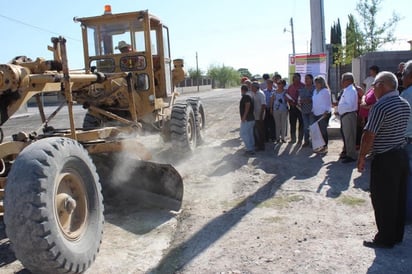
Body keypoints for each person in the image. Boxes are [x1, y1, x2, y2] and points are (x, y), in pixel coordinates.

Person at [357, 71, 410, 249]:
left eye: (375, 85)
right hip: (400, 154)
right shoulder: (404, 104)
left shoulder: (381, 106)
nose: (373, 89)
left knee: (383, 198)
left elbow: (369, 134)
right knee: (398, 197)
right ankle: (396, 234)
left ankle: (385, 238)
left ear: (382, 85)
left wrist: (362, 156)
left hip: (385, 157)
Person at [399, 60, 412, 223]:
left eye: (403, 75)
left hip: (409, 142)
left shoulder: (406, 96)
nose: (402, 78)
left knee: (408, 180)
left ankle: (408, 216)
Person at [338, 72, 359, 163]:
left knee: (350, 136)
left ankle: (351, 155)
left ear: (348, 81)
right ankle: (348, 153)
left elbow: (350, 105)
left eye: (343, 80)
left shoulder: (351, 90)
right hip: (345, 115)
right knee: (347, 136)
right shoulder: (347, 90)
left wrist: (340, 107)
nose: (341, 82)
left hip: (348, 115)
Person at [312, 75, 332, 153]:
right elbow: (315, 102)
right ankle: (319, 146)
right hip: (316, 113)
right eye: (315, 83)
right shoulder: (315, 91)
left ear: (322, 83)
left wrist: (326, 112)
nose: (316, 84)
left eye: (317, 83)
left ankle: (325, 147)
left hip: (323, 114)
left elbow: (328, 103)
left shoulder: (325, 91)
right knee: (318, 131)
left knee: (323, 131)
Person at [286, 73, 304, 144]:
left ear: (299, 78)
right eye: (293, 78)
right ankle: (293, 139)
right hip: (292, 108)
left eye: (296, 78)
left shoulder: (303, 86)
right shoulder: (290, 86)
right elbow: (286, 95)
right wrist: (289, 101)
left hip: (301, 108)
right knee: (292, 123)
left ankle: (300, 139)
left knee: (301, 123)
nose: (294, 79)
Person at [270, 79, 289, 144]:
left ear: (283, 84)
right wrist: (271, 109)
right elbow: (272, 101)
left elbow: (288, 101)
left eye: (280, 83)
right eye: (278, 83)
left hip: (284, 110)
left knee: (283, 124)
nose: (279, 85)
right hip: (276, 110)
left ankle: (283, 138)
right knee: (277, 124)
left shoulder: (286, 92)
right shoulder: (274, 92)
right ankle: (277, 138)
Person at [299, 74, 315, 147]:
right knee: (306, 127)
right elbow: (300, 98)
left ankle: (314, 142)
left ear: (312, 80)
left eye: (307, 78)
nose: (306, 80)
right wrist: (299, 101)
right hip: (304, 110)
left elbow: (313, 99)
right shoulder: (302, 88)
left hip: (312, 111)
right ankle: (306, 141)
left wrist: (307, 100)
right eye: (305, 78)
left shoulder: (315, 88)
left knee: (312, 127)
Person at [239, 84, 255, 156]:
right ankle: (251, 147)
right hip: (251, 118)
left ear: (242, 90)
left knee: (243, 133)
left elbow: (247, 106)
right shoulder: (249, 95)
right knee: (249, 133)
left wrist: (244, 117)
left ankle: (249, 149)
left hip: (247, 119)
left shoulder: (246, 96)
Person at [251, 81, 266, 151]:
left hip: (260, 115)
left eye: (252, 87)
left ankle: (261, 146)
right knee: (255, 130)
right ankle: (257, 143)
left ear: (256, 87)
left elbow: (263, 105)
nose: (251, 88)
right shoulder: (254, 93)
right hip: (255, 114)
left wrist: (260, 116)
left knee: (260, 131)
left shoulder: (260, 94)